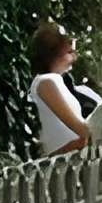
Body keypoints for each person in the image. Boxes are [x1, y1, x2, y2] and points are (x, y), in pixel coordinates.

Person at [30, 22, 93, 155]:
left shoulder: (55, 81)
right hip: (61, 160)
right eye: (69, 52)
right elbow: (80, 129)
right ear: (52, 54)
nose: (74, 58)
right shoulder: (45, 82)